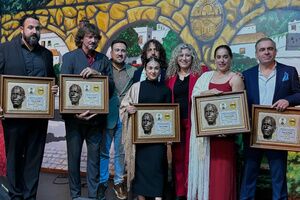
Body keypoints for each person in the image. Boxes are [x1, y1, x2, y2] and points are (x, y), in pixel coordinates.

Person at [0, 14, 58, 200]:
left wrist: (54, 88)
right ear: (21, 30)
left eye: (37, 28)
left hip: (38, 119)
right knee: (14, 159)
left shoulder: (46, 55)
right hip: (13, 119)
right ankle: (16, 195)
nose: (35, 31)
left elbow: (51, 80)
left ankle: (30, 196)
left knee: (34, 159)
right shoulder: (4, 50)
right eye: (31, 27)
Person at [240, 37, 300, 200]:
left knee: (278, 175)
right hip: (253, 131)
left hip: (278, 133)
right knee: (249, 175)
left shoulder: (289, 71)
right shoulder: (246, 75)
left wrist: (288, 100)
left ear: (275, 51)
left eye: (270, 49)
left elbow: (299, 94)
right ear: (256, 54)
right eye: (262, 49)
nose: (266, 52)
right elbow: (240, 101)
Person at [60, 22, 114, 200]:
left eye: (95, 37)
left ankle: (92, 196)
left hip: (96, 121)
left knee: (94, 161)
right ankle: (75, 196)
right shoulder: (69, 58)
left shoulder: (103, 60)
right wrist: (73, 113)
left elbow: (111, 88)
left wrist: (99, 76)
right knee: (73, 160)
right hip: (74, 121)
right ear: (82, 38)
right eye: (89, 37)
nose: (93, 40)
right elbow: (65, 87)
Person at [188, 45, 244, 200]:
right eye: (219, 57)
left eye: (225, 56)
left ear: (231, 58)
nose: (222, 60)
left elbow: (238, 111)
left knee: (222, 180)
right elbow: (195, 97)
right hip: (207, 138)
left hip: (224, 139)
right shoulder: (206, 77)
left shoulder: (236, 79)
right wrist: (208, 92)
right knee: (208, 179)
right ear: (214, 59)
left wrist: (227, 131)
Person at [120, 57, 171, 200]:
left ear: (160, 71)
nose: (153, 71)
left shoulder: (166, 90)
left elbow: (169, 116)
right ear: (145, 70)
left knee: (157, 170)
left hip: (158, 142)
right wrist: (128, 109)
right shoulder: (137, 87)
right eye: (150, 68)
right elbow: (124, 106)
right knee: (140, 173)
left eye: (156, 68)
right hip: (140, 141)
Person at [165, 43, 208, 199]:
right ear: (176, 58)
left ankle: (193, 192)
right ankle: (180, 193)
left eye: (187, 55)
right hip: (176, 124)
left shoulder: (202, 73)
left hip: (194, 123)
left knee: (193, 159)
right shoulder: (170, 77)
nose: (184, 58)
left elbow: (219, 78)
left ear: (192, 57)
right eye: (181, 55)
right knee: (177, 160)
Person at [99, 39, 136, 200]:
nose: (120, 53)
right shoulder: (104, 67)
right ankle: (102, 181)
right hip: (108, 114)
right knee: (104, 151)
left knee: (120, 152)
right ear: (111, 52)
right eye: (117, 50)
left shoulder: (133, 71)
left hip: (125, 116)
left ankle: (119, 181)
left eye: (123, 50)